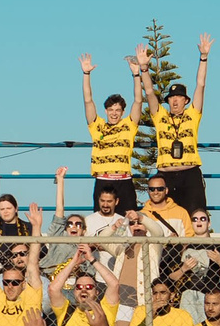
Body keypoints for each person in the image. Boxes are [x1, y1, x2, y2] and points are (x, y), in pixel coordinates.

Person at [134, 36, 212, 216]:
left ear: (186, 100)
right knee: (164, 217)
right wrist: (144, 68)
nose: (175, 101)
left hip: (190, 172)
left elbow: (200, 85)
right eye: (171, 97)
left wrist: (204, 57)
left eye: (179, 97)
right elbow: (149, 92)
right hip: (166, 175)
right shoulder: (160, 116)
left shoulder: (193, 115)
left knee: (196, 215)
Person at [79, 52, 142, 213]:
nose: (114, 113)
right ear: (106, 111)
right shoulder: (96, 125)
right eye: (111, 110)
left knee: (130, 221)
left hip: (124, 180)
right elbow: (88, 100)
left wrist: (136, 74)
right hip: (103, 180)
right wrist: (86, 73)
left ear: (122, 112)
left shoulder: (129, 125)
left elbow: (138, 101)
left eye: (118, 110)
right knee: (100, 222)